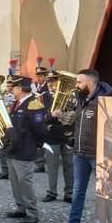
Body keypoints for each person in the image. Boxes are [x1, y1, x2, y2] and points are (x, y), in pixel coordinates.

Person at [56, 69, 112, 223]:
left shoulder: (106, 101)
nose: (76, 85)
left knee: (104, 194)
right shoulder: (81, 98)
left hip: (99, 155)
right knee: (77, 191)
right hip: (80, 153)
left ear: (89, 83)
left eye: (79, 82)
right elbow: (75, 121)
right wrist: (62, 116)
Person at [3, 75, 48, 223]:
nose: (11, 90)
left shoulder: (33, 104)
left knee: (24, 181)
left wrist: (35, 144)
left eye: (13, 87)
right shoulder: (17, 103)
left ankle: (32, 212)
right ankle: (21, 208)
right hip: (13, 149)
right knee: (15, 180)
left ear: (20, 89)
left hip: (25, 150)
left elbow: (40, 130)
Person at [41, 67, 74, 203]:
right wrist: (51, 115)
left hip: (67, 135)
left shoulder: (71, 97)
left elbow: (76, 114)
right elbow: (38, 117)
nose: (51, 83)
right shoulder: (43, 97)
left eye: (54, 80)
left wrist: (70, 116)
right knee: (52, 166)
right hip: (50, 135)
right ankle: (52, 192)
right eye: (49, 80)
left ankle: (69, 193)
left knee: (69, 165)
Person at [0, 61, 18, 181]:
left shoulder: (17, 97)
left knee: (12, 147)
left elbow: (11, 111)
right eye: (7, 84)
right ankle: (4, 171)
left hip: (13, 124)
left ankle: (12, 171)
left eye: (11, 84)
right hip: (3, 125)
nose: (8, 86)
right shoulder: (2, 95)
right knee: (3, 147)